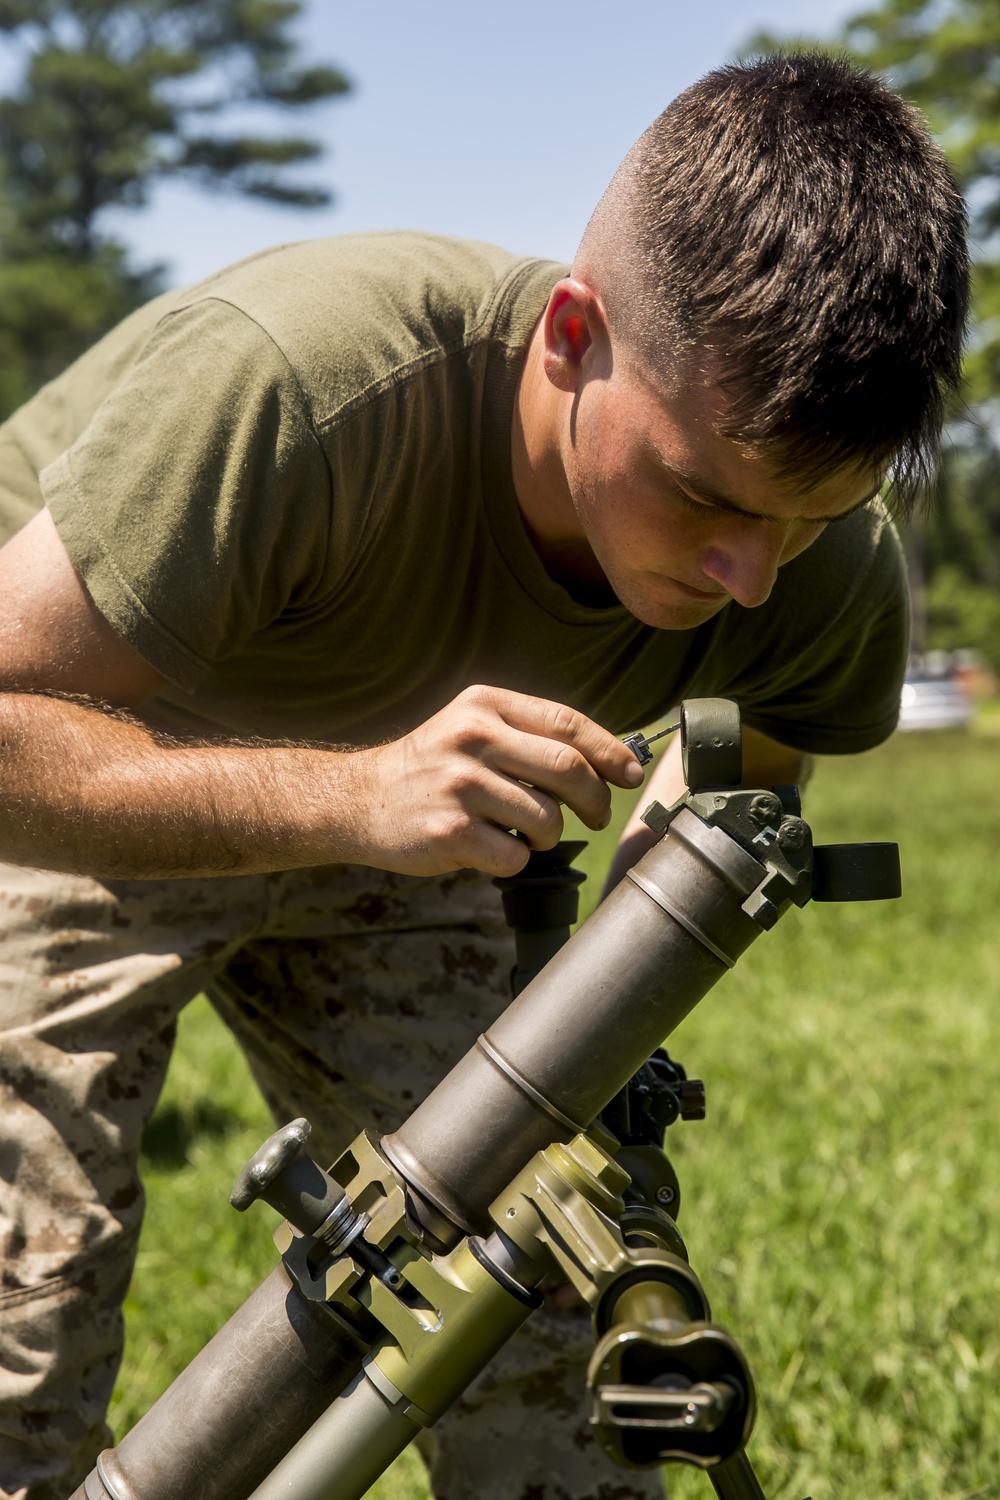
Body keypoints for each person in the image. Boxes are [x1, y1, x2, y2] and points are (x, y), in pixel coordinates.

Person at [0, 51, 967, 1500]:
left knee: (534, 1304)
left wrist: (623, 942)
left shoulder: (808, 554)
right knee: (23, 1325)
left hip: (409, 841)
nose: (747, 576)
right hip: (82, 760)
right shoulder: (299, 382)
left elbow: (745, 771)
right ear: (574, 336)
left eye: (804, 521)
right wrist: (347, 797)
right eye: (705, 496)